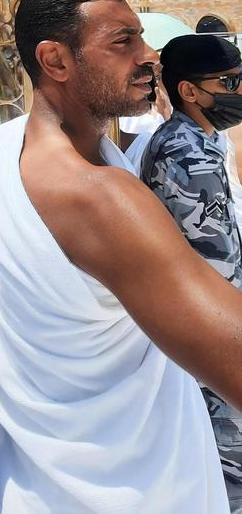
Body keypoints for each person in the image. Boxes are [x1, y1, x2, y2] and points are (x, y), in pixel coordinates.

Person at [0, 0, 242, 513]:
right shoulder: (99, 197)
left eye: (141, 36)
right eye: (124, 41)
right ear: (56, 61)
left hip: (28, 491)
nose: (149, 56)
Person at [140, 34, 242, 510]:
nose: (238, 91)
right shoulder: (187, 154)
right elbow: (217, 266)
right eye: (229, 82)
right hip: (212, 334)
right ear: (190, 92)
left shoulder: (199, 141)